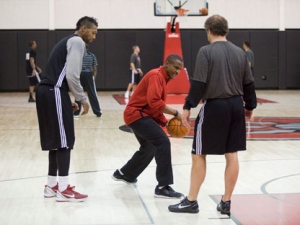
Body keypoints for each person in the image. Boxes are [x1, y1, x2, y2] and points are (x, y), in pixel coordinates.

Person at [168, 15, 257, 215]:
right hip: (236, 106)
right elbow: (249, 84)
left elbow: (199, 83)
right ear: (226, 30)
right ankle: (226, 202)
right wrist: (250, 106)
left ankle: (191, 201)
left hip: (215, 106)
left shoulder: (205, 51)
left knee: (199, 153)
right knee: (231, 154)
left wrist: (187, 106)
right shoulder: (240, 53)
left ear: (208, 31)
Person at [35, 16, 98, 202]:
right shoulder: (78, 41)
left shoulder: (66, 41)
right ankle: (63, 189)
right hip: (53, 90)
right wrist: (82, 98)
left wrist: (66, 98)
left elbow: (61, 74)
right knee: (64, 141)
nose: (94, 37)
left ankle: (52, 185)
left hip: (49, 91)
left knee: (56, 141)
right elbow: (71, 74)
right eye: (93, 32)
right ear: (84, 28)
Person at [112, 54, 184, 199]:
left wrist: (165, 122)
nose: (177, 71)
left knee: (150, 146)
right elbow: (155, 103)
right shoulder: (156, 75)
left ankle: (126, 173)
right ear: (167, 63)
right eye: (175, 68)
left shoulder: (163, 78)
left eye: (180, 70)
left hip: (140, 115)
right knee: (163, 142)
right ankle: (163, 187)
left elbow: (154, 107)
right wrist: (176, 113)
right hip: (137, 115)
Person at [74, 44, 102, 117]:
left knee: (78, 93)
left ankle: (76, 112)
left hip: (79, 74)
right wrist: (93, 78)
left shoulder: (78, 55)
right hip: (89, 75)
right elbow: (95, 68)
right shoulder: (92, 55)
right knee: (92, 93)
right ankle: (97, 112)